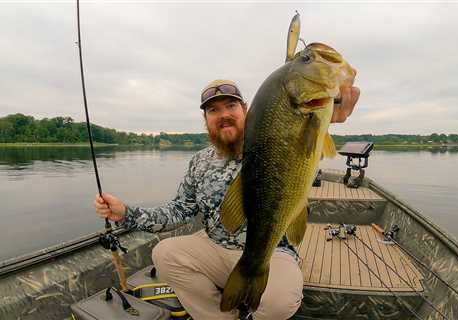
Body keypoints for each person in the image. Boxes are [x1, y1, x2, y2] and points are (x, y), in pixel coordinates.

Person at [95, 79, 360, 319]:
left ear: (245, 110)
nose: (223, 115)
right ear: (205, 119)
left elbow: (306, 133)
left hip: (270, 252)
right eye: (213, 110)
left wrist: (328, 113)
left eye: (230, 105)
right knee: (164, 253)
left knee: (280, 302)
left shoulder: (278, 144)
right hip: (214, 246)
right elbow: (179, 210)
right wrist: (125, 213)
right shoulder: (199, 161)